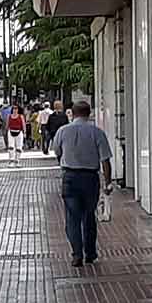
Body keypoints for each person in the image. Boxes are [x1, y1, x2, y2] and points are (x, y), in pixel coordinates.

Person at [51, 100, 113, 267]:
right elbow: (105, 160)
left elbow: (57, 151)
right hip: (90, 178)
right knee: (88, 216)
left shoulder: (63, 131)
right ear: (89, 113)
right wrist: (108, 182)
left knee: (72, 218)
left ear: (73, 113)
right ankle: (90, 253)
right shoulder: (97, 132)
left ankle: (76, 254)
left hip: (70, 177)